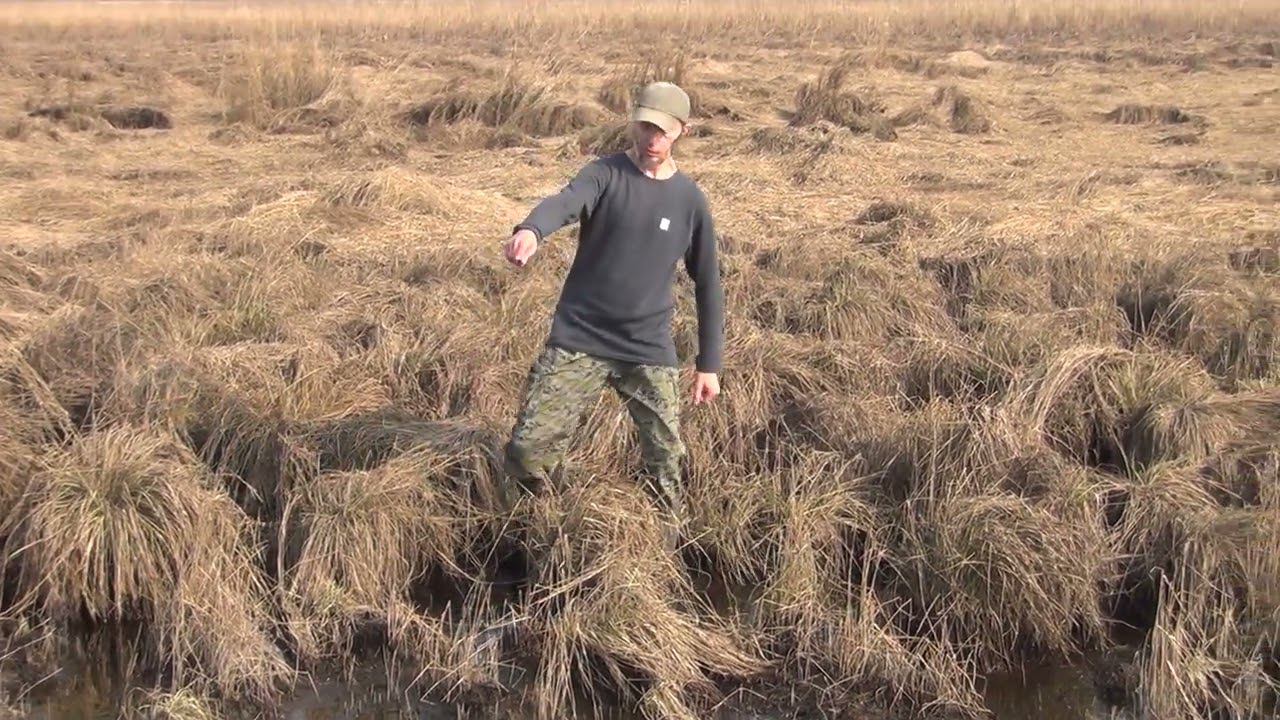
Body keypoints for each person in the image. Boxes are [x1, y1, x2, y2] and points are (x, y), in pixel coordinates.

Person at [500, 81, 724, 546]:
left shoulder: (689, 200)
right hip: (580, 337)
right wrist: (532, 230)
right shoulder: (604, 174)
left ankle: (665, 546)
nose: (652, 139)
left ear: (682, 131)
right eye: (645, 126)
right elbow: (565, 202)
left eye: (663, 130)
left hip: (647, 347)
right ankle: (538, 530)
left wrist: (709, 364)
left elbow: (708, 283)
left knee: (665, 459)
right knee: (527, 449)